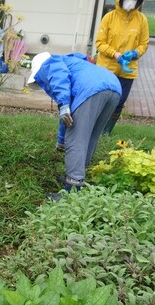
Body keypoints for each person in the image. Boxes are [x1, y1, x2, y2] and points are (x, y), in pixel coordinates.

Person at [27, 52, 121, 198]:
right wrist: (60, 139)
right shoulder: (73, 63)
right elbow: (67, 114)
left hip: (91, 89)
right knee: (90, 137)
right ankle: (79, 177)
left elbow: (59, 79)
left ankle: (72, 191)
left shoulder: (50, 63)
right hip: (114, 87)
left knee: (76, 140)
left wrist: (63, 104)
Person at [94, 0, 149, 135]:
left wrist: (134, 53)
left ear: (139, 1)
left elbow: (144, 43)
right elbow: (100, 43)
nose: (131, 0)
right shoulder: (109, 18)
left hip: (127, 70)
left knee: (119, 102)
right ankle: (94, 127)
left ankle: (106, 131)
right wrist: (116, 54)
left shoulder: (141, 20)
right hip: (106, 68)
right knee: (101, 99)